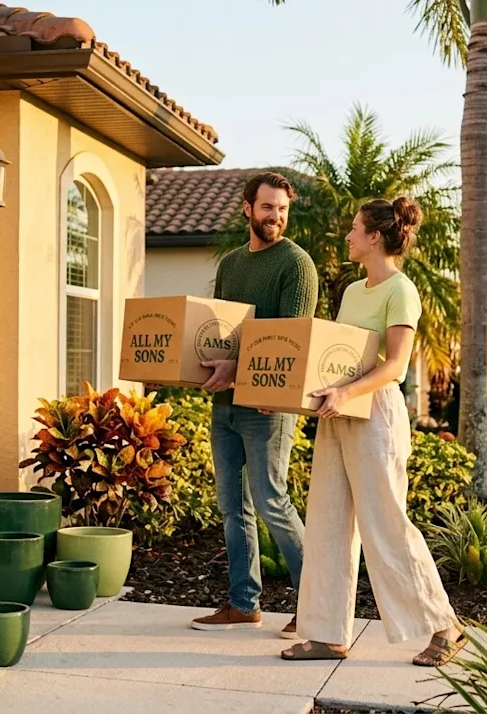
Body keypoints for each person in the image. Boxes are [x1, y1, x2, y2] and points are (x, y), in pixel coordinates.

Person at [280, 197, 466, 667]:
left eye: (355, 229)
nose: (348, 235)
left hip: (375, 413)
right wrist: (306, 393)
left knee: (384, 524)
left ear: (375, 237)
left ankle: (445, 626)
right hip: (338, 411)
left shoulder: (400, 291)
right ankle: (325, 634)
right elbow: (339, 358)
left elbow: (396, 366)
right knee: (326, 520)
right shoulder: (353, 291)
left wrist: (346, 393)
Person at [190, 172, 318, 637]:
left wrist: (244, 374)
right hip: (224, 401)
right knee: (232, 506)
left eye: (282, 209)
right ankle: (244, 603)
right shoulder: (231, 264)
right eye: (267, 208)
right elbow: (226, 327)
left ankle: (316, 605)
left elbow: (293, 341)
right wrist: (203, 362)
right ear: (247, 208)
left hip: (267, 404)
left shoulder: (296, 264)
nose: (276, 217)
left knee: (271, 502)